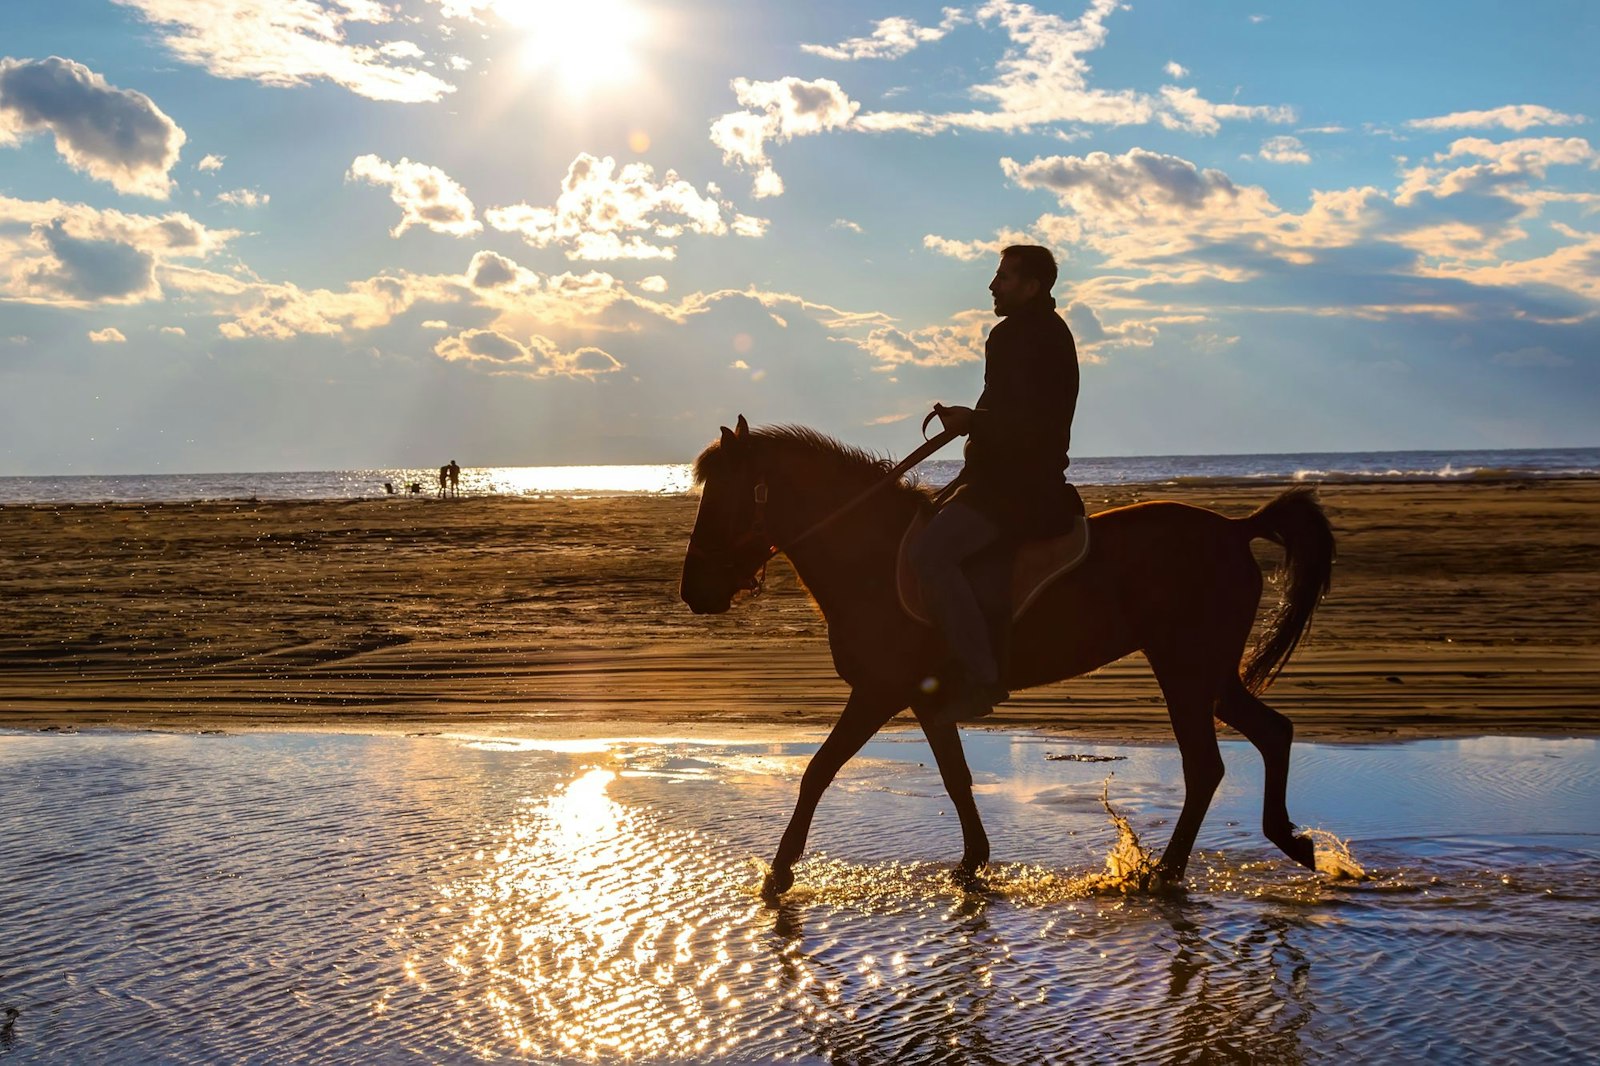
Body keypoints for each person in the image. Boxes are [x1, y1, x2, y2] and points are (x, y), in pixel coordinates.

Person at [911, 244, 1081, 724]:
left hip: (1019, 489)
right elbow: (1010, 414)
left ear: (1033, 286)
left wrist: (972, 421)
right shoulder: (1038, 332)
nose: (992, 285)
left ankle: (981, 675)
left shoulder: (1020, 336)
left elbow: (1026, 422)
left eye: (1003, 277)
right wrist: (974, 425)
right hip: (1003, 479)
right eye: (997, 275)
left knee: (930, 554)